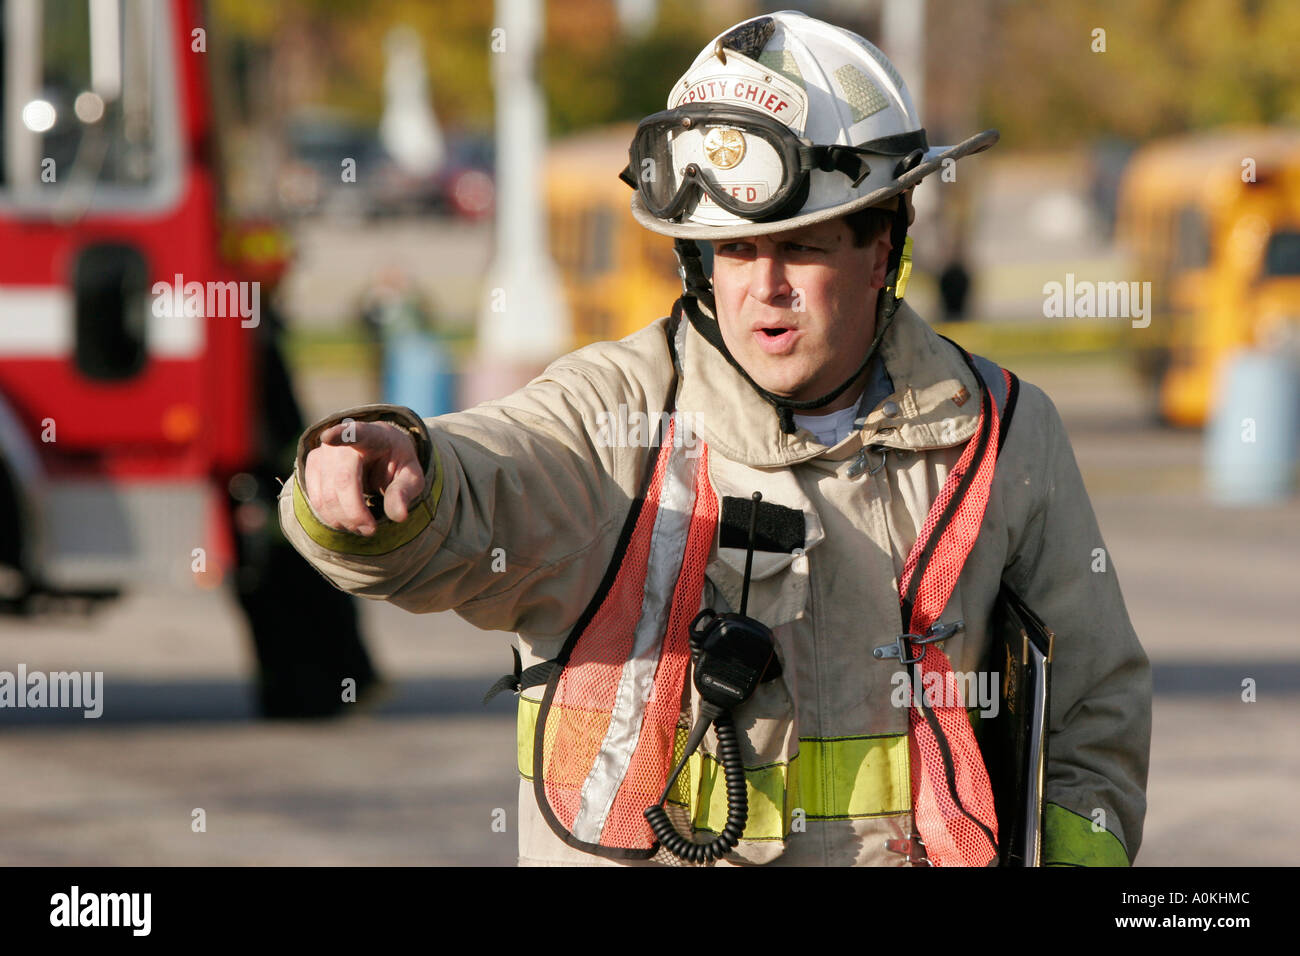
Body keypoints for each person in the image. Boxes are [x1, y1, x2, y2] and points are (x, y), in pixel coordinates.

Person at [279, 10, 1150, 866]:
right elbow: (491, 473)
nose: (764, 287)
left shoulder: (1000, 433)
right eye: (732, 250)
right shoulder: (614, 414)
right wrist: (402, 476)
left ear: (882, 245)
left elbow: (1092, 705)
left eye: (801, 247)